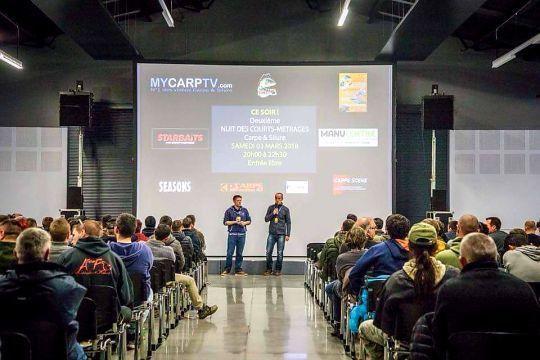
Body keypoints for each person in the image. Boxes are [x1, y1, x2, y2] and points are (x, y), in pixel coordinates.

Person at [359, 223, 460, 360]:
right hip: (445, 345)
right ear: (436, 247)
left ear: (409, 247)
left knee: (364, 328)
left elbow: (384, 323)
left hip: (404, 344)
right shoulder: (454, 278)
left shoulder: (395, 281)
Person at [432, 232, 540, 358]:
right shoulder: (523, 289)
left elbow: (438, 339)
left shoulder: (449, 291)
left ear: (462, 261)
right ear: (496, 257)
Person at [0, 228, 87, 360]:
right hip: (59, 354)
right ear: (47, 254)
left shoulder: (2, 286)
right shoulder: (68, 287)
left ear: (15, 253)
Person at [55, 220, 134, 315]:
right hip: (108, 319)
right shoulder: (115, 259)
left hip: (75, 318)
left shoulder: (66, 258)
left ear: (83, 232)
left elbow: (57, 292)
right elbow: (126, 296)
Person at [147, 224, 218, 319]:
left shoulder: (143, 247)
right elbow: (179, 264)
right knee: (190, 280)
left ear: (154, 233)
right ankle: (201, 308)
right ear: (167, 237)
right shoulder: (169, 250)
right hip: (166, 279)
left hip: (147, 278)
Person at [348, 214, 410, 295]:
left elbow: (354, 274)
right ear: (408, 231)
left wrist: (362, 294)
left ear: (386, 230)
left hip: (379, 301)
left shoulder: (376, 250)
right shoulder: (417, 252)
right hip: (410, 302)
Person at [109, 213, 154, 300]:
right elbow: (149, 267)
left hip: (113, 301)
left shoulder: (106, 250)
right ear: (134, 231)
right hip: (140, 299)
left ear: (116, 230)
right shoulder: (145, 250)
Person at [222, 195, 251, 276]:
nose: (239, 202)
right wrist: (234, 222)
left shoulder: (244, 210)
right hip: (232, 234)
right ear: (234, 201)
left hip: (242, 234)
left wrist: (244, 223)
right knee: (230, 253)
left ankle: (238, 270)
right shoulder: (229, 210)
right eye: (238, 200)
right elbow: (225, 222)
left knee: (239, 253)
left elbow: (249, 221)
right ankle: (227, 269)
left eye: (240, 200)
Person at [263, 192, 291, 276]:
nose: (277, 200)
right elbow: (266, 219)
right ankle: (269, 269)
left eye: (279, 198)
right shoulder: (271, 208)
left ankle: (278, 270)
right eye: (276, 198)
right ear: (274, 198)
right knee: (268, 251)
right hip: (272, 233)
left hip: (281, 234)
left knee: (280, 252)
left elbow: (288, 222)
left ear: (282, 199)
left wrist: (288, 234)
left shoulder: (285, 209)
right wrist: (273, 213)